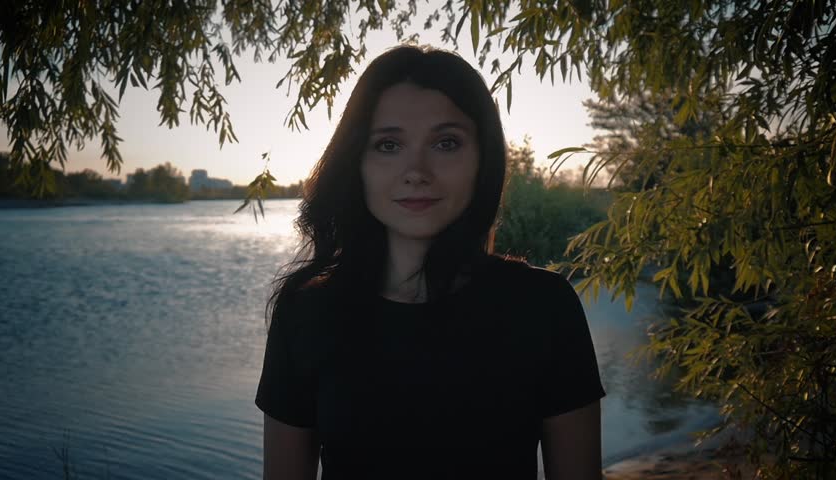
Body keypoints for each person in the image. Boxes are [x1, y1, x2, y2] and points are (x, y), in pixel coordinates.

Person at [255, 44, 606, 480]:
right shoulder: (306, 312)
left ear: (483, 159)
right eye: (388, 144)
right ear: (356, 162)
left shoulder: (544, 307)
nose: (416, 170)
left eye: (446, 143)